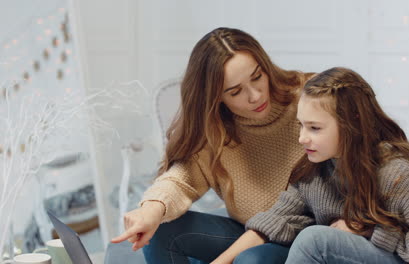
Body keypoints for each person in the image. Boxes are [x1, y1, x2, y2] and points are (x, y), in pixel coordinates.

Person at [214, 67, 409, 264]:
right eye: (301, 125)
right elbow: (274, 222)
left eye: (314, 128)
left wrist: (366, 229)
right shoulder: (315, 170)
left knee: (315, 240)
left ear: (351, 122)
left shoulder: (397, 172)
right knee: (256, 256)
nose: (302, 138)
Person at [111, 27, 314, 263]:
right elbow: (182, 177)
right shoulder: (216, 128)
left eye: (257, 77)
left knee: (251, 260)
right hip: (247, 233)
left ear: (266, 67)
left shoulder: (311, 97)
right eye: (235, 91)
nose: (255, 96)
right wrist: (151, 210)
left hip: (303, 237)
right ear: (216, 97)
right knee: (160, 232)